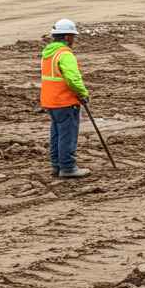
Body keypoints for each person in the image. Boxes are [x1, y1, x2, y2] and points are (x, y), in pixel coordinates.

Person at [40, 19, 91, 178]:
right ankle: (68, 168)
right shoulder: (65, 54)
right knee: (67, 135)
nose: (73, 40)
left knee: (56, 134)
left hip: (51, 101)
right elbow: (73, 79)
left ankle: (57, 165)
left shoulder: (48, 54)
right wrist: (83, 93)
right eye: (73, 37)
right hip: (65, 101)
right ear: (68, 37)